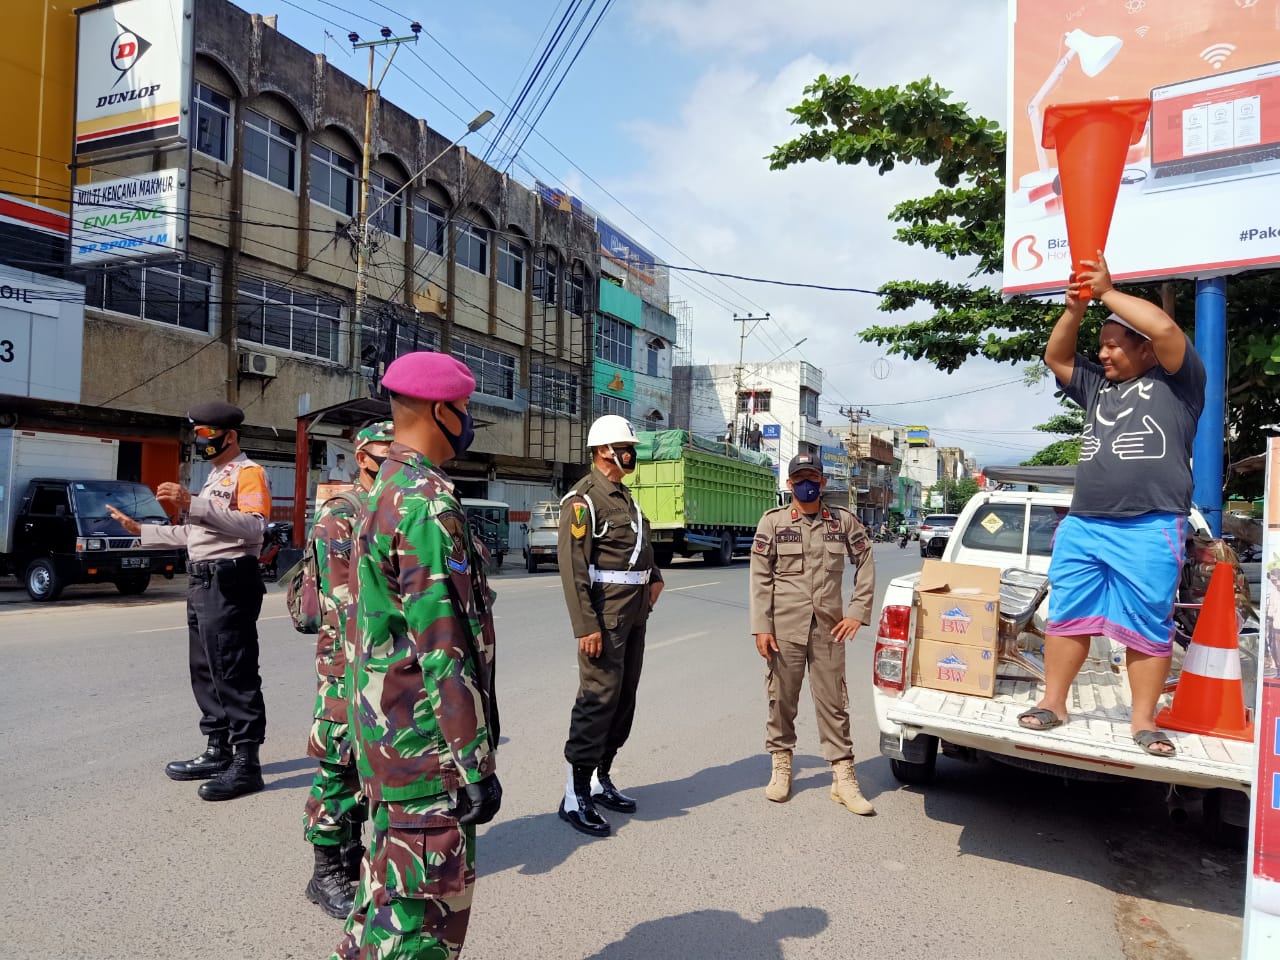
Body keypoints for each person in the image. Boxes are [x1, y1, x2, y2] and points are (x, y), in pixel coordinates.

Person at [332, 353, 500, 960]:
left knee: (381, 906)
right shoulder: (426, 502)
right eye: (465, 409)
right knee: (419, 930)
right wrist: (474, 762)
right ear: (440, 411)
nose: (469, 421)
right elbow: (443, 647)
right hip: (426, 755)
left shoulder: (381, 494)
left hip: (386, 739)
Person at [1017, 252, 1206, 757]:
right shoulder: (1097, 386)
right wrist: (1075, 309)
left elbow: (1165, 328)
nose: (1102, 354)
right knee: (1069, 614)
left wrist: (1106, 291)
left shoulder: (1179, 385)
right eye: (1099, 346)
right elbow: (1055, 358)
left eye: (1113, 346)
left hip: (1150, 525)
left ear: (1145, 351)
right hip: (1084, 523)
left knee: (1146, 622)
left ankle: (1143, 720)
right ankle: (1054, 703)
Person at [107, 401, 271, 801]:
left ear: (228, 436)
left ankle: (247, 764)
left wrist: (193, 503)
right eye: (196, 433)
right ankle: (219, 748)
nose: (200, 441)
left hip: (229, 581)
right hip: (202, 581)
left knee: (233, 669)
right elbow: (196, 538)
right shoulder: (216, 479)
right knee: (206, 669)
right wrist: (142, 530)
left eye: (204, 434)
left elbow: (254, 526)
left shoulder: (248, 474)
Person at [749, 453, 876, 814]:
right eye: (800, 478)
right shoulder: (772, 523)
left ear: (822, 483)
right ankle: (781, 763)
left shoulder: (842, 522)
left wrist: (857, 611)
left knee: (834, 703)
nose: (807, 484)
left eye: (813, 478)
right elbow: (760, 576)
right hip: (784, 629)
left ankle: (843, 775)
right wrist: (761, 626)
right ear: (789, 484)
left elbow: (865, 562)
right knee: (781, 699)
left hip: (829, 628)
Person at [557, 414, 664, 838]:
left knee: (623, 700)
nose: (631, 453)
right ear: (603, 450)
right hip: (605, 614)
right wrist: (586, 626)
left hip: (633, 611)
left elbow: (637, 546)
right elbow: (573, 569)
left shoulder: (624, 498)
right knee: (597, 699)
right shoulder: (583, 501)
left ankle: (601, 779)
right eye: (626, 447)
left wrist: (653, 577)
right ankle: (574, 793)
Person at [302, 420, 393, 920]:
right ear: (361, 456)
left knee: (368, 764)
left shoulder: (392, 505)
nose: (392, 457)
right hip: (347, 660)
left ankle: (354, 853)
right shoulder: (343, 513)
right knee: (338, 764)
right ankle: (324, 870)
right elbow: (343, 599)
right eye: (384, 449)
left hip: (381, 659)